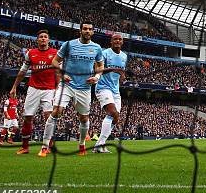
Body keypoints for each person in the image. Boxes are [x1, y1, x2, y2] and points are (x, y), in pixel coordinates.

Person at [39, 22, 104, 157]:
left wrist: (97, 77)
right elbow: (55, 61)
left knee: (84, 118)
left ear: (92, 32)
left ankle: (81, 145)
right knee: (57, 111)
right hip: (67, 85)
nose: (87, 31)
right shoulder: (69, 44)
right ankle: (45, 146)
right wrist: (62, 73)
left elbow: (100, 66)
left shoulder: (96, 48)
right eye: (85, 29)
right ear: (80, 30)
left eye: (90, 29)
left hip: (85, 87)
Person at [10, 30, 59, 154]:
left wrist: (58, 88)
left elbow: (58, 72)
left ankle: (48, 145)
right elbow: (23, 71)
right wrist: (14, 86)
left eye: (45, 37)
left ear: (48, 40)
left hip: (49, 89)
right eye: (41, 37)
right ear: (37, 40)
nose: (43, 39)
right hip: (33, 89)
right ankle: (25, 147)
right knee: (27, 118)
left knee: (49, 117)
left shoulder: (55, 53)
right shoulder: (31, 53)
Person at [93, 33, 127, 153]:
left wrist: (121, 76)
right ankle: (99, 145)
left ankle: (100, 144)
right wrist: (114, 69)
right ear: (111, 42)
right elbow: (97, 69)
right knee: (113, 113)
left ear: (122, 42)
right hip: (103, 87)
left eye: (120, 39)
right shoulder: (104, 53)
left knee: (115, 117)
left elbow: (121, 72)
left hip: (115, 90)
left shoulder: (124, 56)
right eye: (115, 39)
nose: (118, 41)